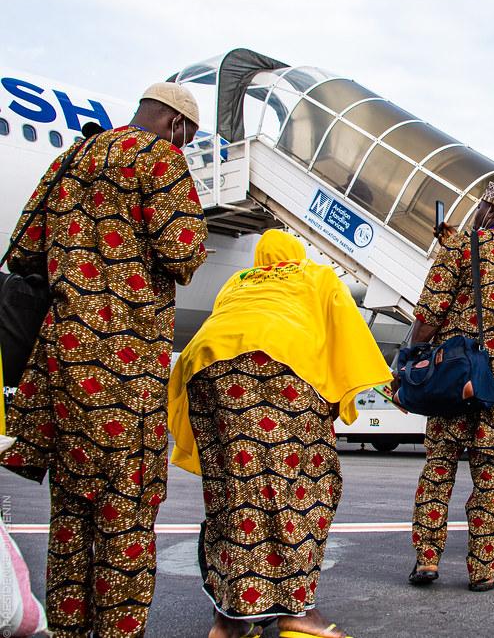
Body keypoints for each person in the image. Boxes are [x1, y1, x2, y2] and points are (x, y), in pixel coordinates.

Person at [0, 83, 209, 637]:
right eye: (190, 136)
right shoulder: (158, 157)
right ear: (176, 123)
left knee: (70, 514)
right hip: (124, 364)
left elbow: (23, 248)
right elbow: (183, 252)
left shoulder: (70, 157)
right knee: (125, 511)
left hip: (63, 359)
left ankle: (69, 630)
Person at [166, 229, 391, 638]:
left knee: (233, 492)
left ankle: (231, 619)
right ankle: (297, 613)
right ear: (297, 254)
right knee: (305, 487)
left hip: (206, 366)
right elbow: (348, 335)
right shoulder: (317, 275)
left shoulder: (238, 282)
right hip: (281, 364)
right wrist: (369, 389)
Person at [407, 182, 494, 592]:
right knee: (490, 476)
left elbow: (431, 311)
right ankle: (483, 571)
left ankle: (427, 561)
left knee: (439, 468)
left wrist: (412, 357)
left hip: (457, 377)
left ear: (488, 207)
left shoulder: (462, 247)